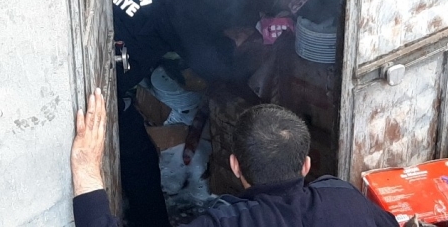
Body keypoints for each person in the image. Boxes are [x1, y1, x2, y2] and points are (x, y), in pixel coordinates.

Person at [71, 89, 400, 227]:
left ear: (235, 166)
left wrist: (86, 167)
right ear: (306, 165)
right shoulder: (345, 199)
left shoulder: (223, 222)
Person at [111, 0, 251, 227]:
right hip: (104, 90)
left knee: (136, 158)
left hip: (96, 72)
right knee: (140, 165)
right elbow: (209, 63)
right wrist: (236, 44)